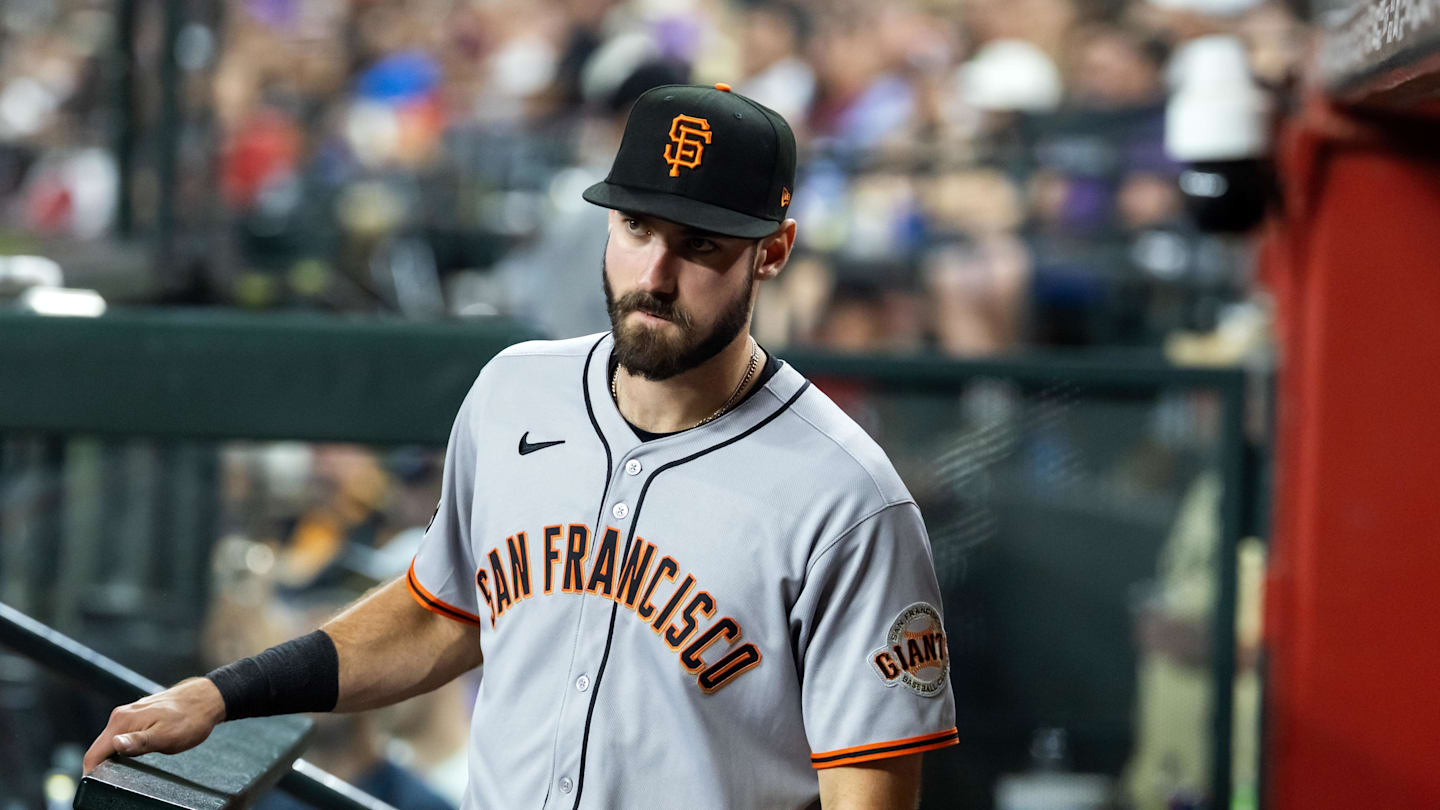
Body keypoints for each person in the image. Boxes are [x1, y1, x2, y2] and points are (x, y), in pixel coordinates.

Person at [83, 83, 957, 809]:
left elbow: (871, 790)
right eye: (638, 228)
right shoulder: (515, 391)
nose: (655, 274)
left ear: (773, 253)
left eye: (701, 245)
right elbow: (438, 614)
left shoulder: (848, 500)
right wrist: (220, 694)